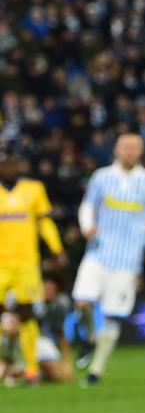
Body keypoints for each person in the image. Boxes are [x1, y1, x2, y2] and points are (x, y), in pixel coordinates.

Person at [72, 133, 145, 387]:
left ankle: (96, 369)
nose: (130, 151)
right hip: (98, 252)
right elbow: (87, 206)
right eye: (126, 147)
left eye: (134, 148)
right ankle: (89, 338)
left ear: (140, 151)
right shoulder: (102, 177)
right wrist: (87, 226)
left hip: (128, 261)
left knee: (113, 316)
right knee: (82, 302)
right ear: (116, 149)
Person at [0, 153, 66, 386]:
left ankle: (30, 369)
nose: (8, 168)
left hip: (26, 262)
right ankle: (5, 364)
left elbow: (44, 222)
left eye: (11, 164)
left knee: (28, 316)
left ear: (18, 166)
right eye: (4, 165)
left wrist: (56, 248)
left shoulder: (33, 189)